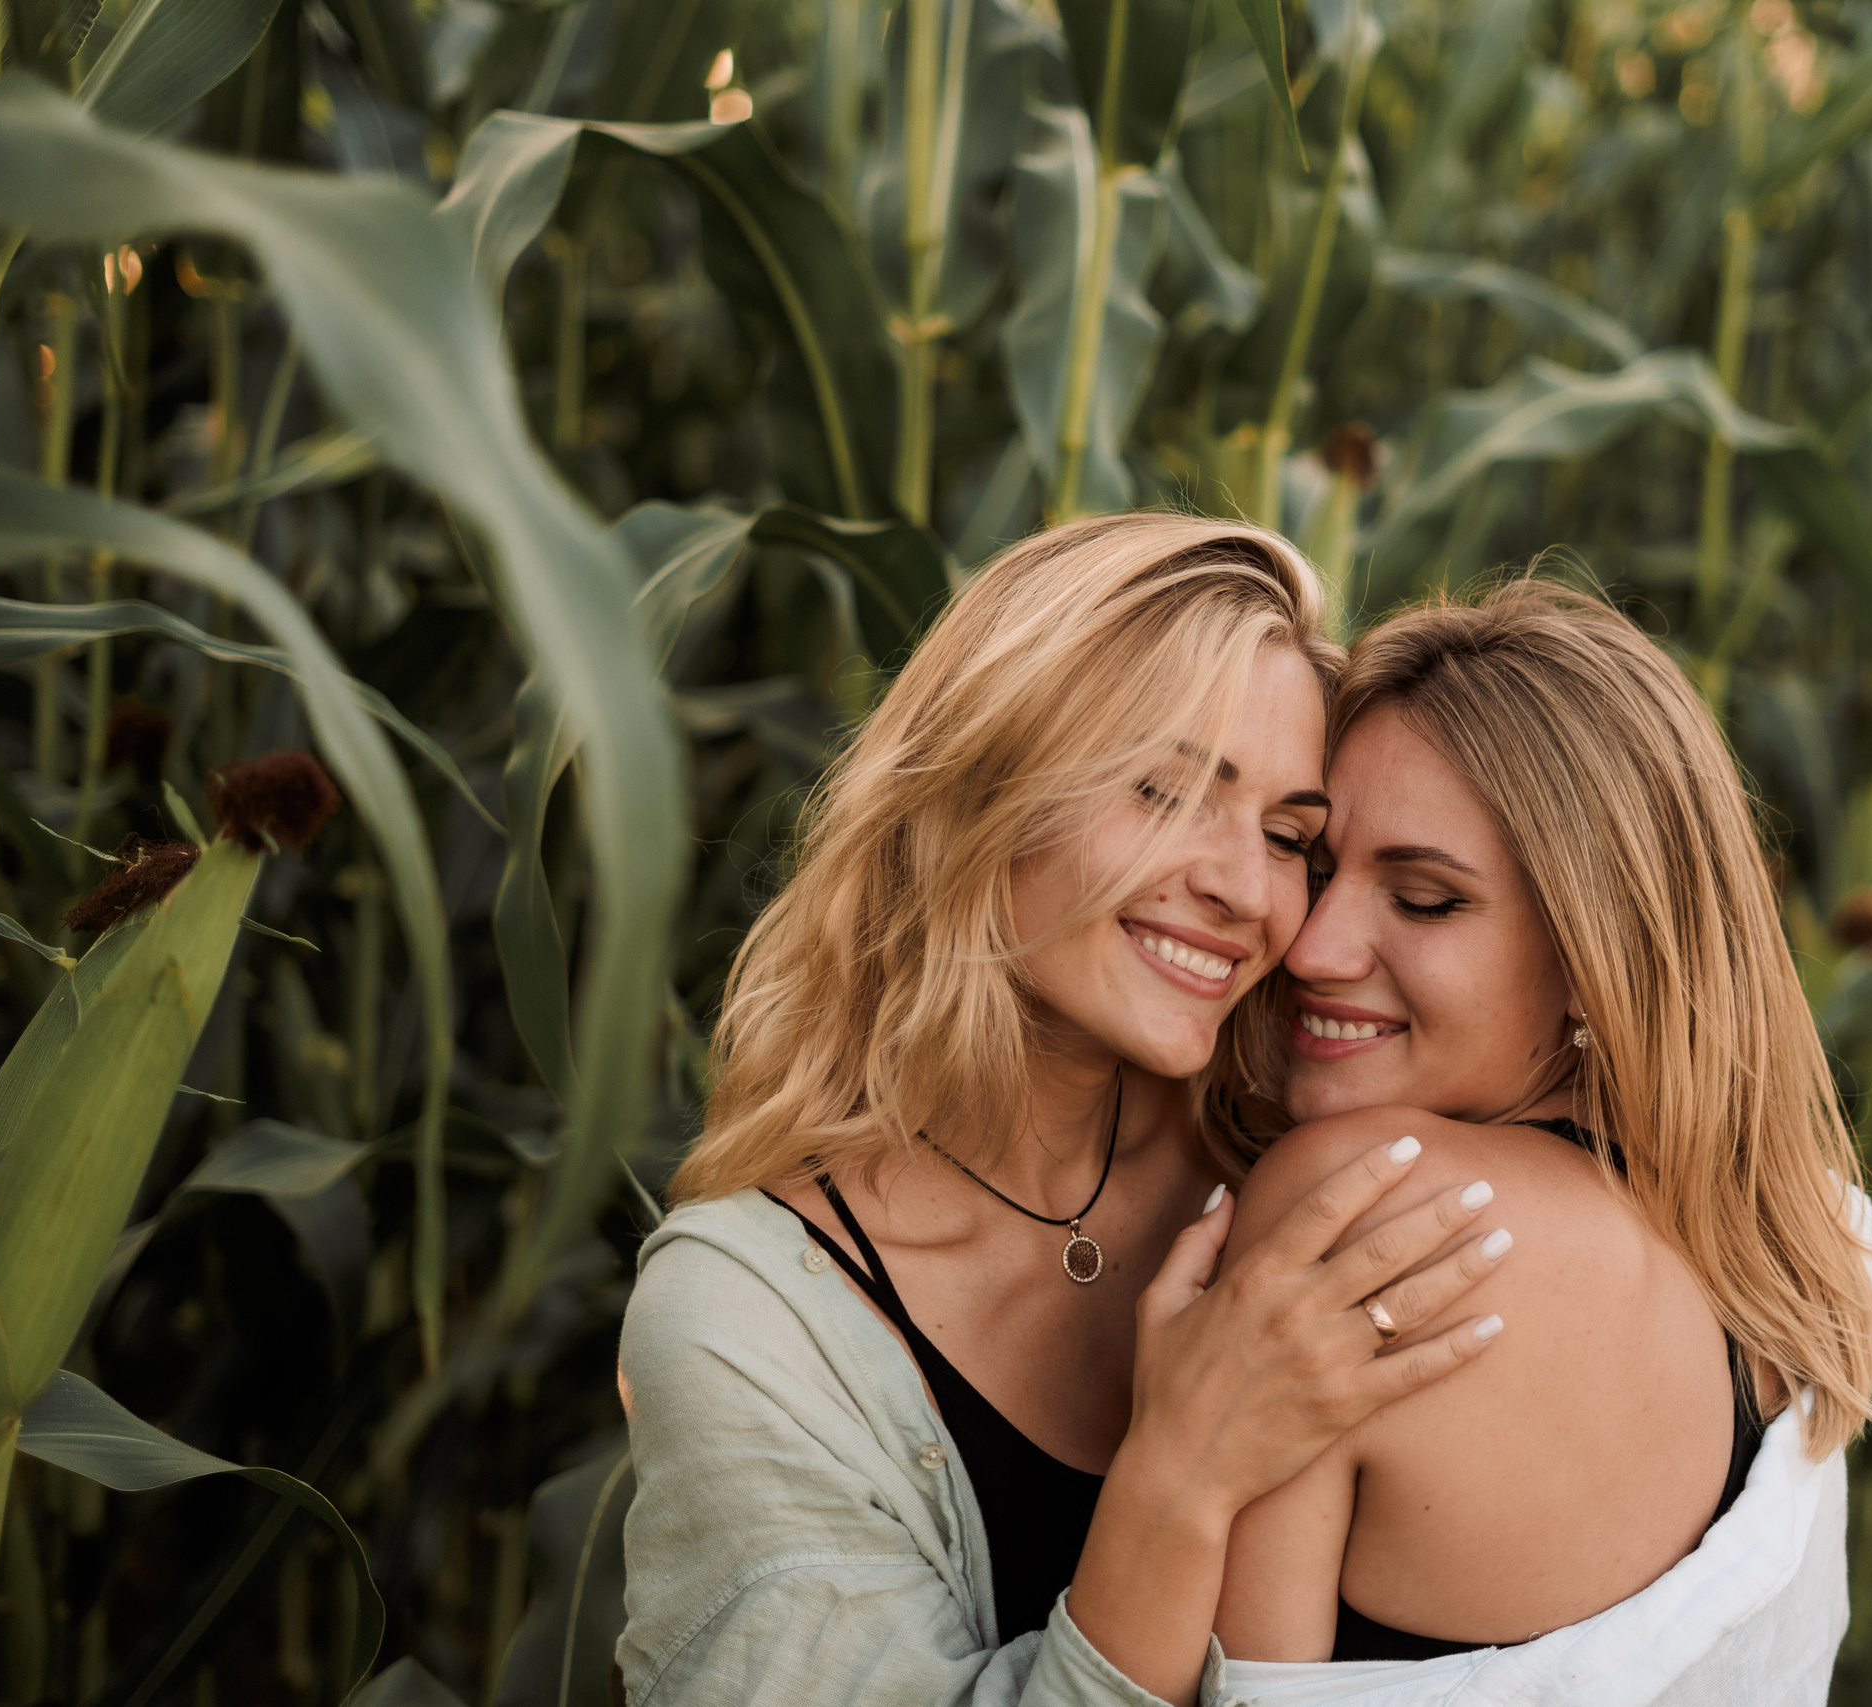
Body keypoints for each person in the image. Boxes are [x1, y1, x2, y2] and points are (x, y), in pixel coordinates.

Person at [616, 515, 1517, 1707]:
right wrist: (1181, 1471)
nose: (1245, 891)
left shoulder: (1298, 1149)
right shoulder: (747, 1323)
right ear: (979, 782)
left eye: (1288, 835)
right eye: (1163, 788)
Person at [1212, 579, 1872, 1705]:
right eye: (1315, 865)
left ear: (1593, 952)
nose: (1312, 946)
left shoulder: (1363, 1208)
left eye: (1424, 901)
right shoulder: (1787, 1252)